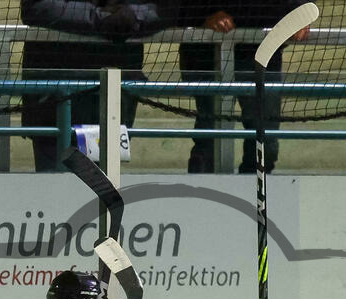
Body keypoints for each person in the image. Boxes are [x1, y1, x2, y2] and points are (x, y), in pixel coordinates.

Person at [20, 0, 169, 172]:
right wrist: (101, 19)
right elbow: (37, 7)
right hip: (54, 98)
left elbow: (167, 9)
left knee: (104, 186)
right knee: (57, 187)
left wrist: (135, 15)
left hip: (115, 96)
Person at [177, 4, 310, 173]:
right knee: (209, 142)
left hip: (263, 54)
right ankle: (205, 195)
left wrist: (300, 14)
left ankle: (251, 195)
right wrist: (202, 17)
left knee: (265, 146)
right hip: (205, 55)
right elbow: (174, 10)